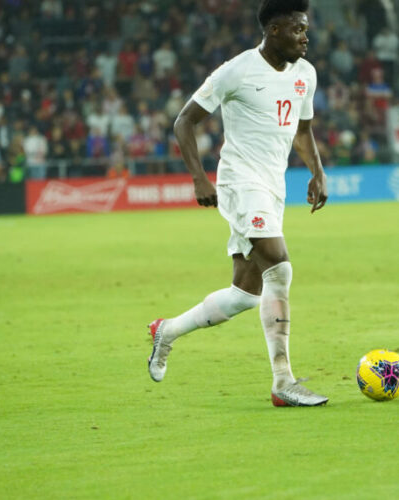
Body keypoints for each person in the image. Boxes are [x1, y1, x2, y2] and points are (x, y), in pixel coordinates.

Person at [147, 0, 329, 407]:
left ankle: (167, 331)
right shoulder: (237, 70)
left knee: (246, 293)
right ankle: (283, 380)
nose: (305, 37)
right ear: (274, 30)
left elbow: (302, 132)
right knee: (279, 266)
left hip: (273, 187)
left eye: (306, 29)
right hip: (240, 182)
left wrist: (317, 171)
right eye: (297, 29)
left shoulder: (306, 74)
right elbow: (184, 121)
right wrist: (199, 177)